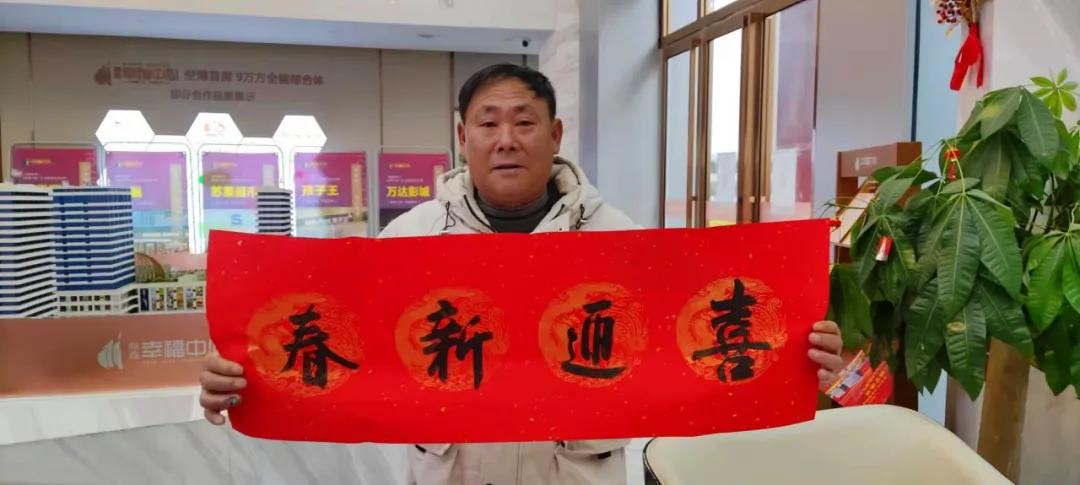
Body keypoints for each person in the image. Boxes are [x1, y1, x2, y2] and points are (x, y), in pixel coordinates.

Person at [199, 64, 845, 485]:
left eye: (524, 122)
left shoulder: (620, 242)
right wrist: (246, 376)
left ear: (555, 133)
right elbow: (350, 354)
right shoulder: (407, 244)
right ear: (463, 137)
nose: (506, 138)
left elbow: (679, 353)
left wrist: (791, 354)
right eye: (488, 123)